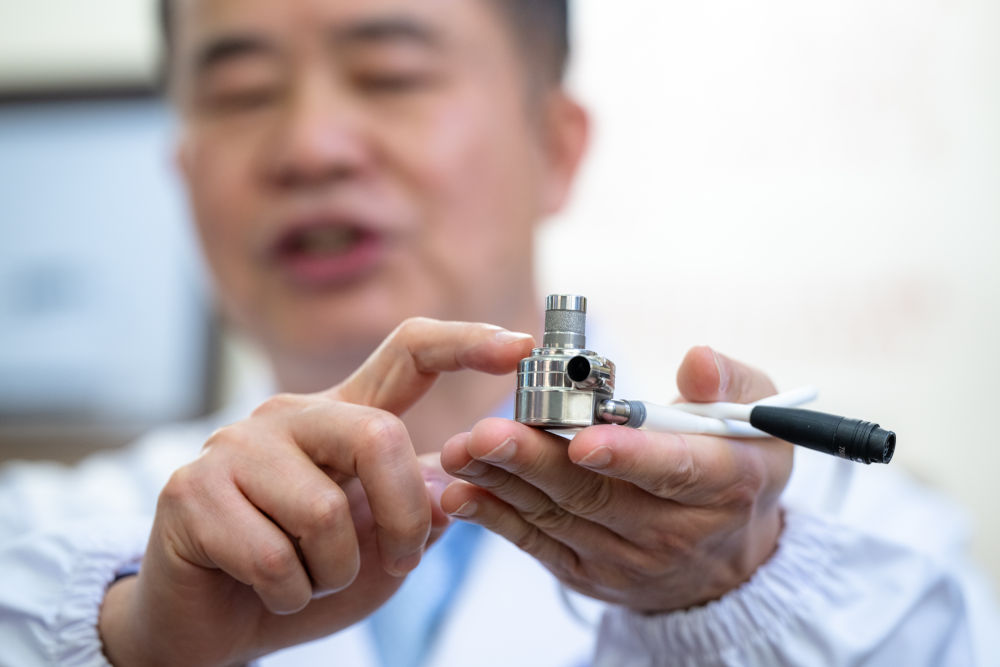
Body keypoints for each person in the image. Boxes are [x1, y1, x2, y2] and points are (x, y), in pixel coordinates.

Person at [0, 0, 997, 665]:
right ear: (183, 177)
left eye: (389, 73)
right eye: (242, 92)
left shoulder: (854, 540)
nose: (309, 147)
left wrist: (724, 601)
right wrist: (140, 643)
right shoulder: (53, 543)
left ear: (555, 147)